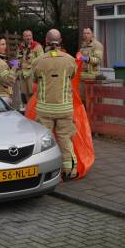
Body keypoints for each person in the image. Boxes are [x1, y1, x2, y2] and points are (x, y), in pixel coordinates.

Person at [31, 29, 78, 180]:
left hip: (44, 109)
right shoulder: (70, 60)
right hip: (64, 108)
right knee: (65, 138)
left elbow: (34, 79)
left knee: (45, 141)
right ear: (61, 40)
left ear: (45, 40)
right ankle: (70, 170)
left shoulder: (38, 61)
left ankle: (47, 171)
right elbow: (73, 75)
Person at [17, 30, 44, 105]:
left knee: (34, 93)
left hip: (32, 74)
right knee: (25, 94)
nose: (28, 37)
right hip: (23, 74)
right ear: (23, 37)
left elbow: (41, 60)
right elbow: (18, 59)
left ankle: (33, 110)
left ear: (32, 36)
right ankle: (28, 109)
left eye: (29, 35)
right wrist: (15, 69)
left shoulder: (37, 46)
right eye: (26, 36)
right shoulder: (20, 47)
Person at [78, 27, 104, 103]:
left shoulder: (97, 45)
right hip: (82, 76)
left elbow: (98, 60)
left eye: (88, 33)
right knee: (82, 100)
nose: (85, 35)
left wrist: (86, 59)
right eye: (84, 33)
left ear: (92, 34)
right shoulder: (83, 46)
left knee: (90, 101)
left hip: (92, 76)